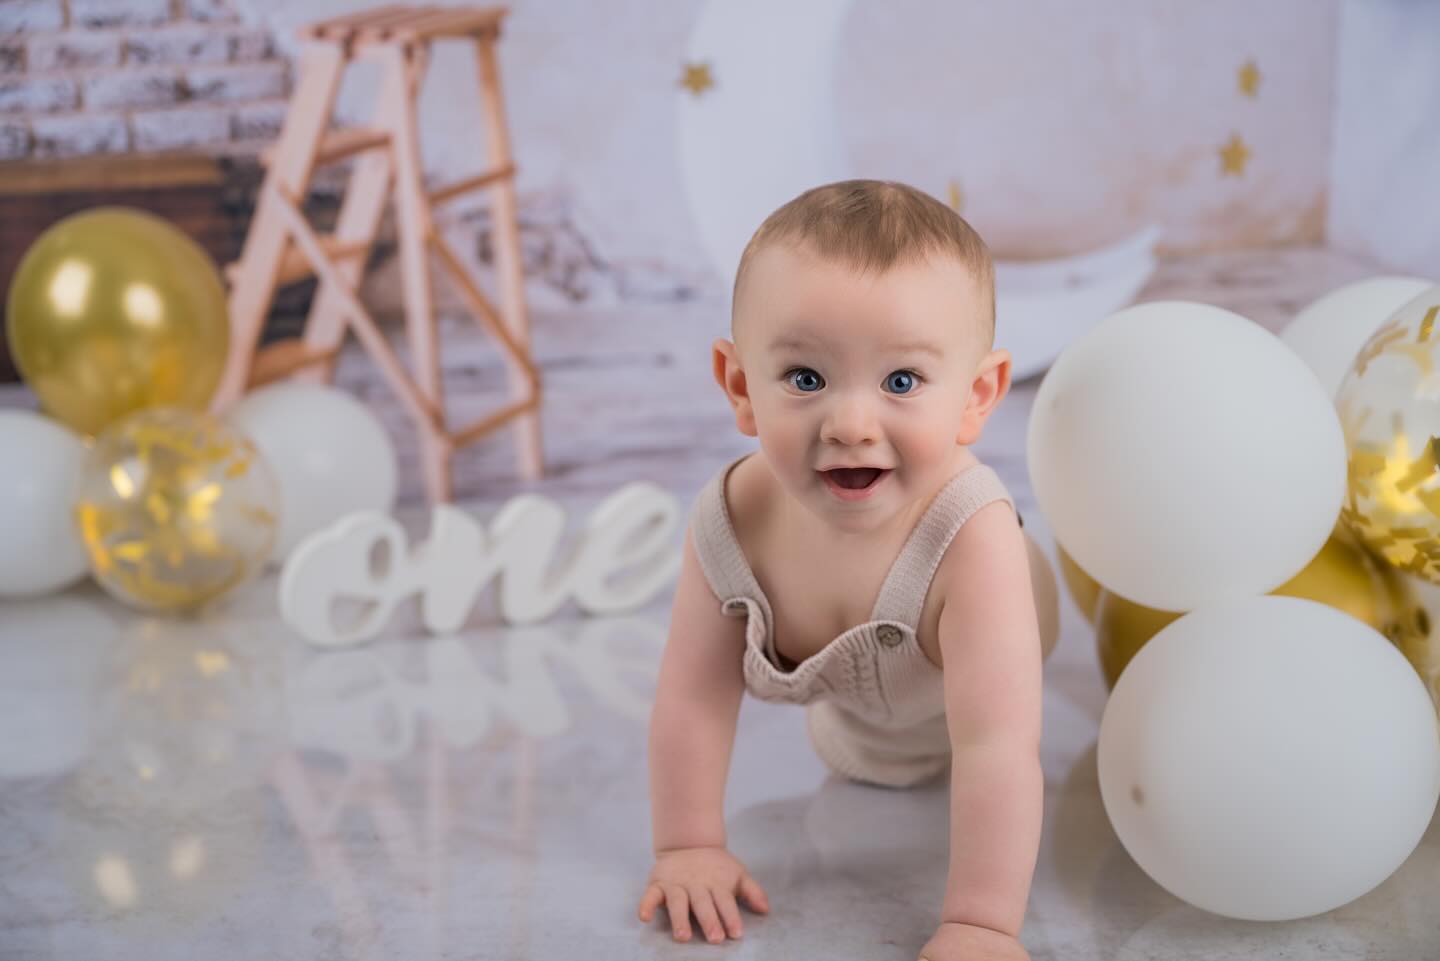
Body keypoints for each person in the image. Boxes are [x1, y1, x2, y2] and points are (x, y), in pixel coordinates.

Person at [638, 180, 1051, 961]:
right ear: (739, 387)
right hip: (868, 725)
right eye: (805, 377)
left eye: (902, 381)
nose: (851, 425)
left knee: (990, 726)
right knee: (867, 756)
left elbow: (998, 745)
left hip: (984, 671)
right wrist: (685, 844)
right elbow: (692, 696)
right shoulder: (729, 523)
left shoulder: (974, 540)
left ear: (976, 396)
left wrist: (981, 923)